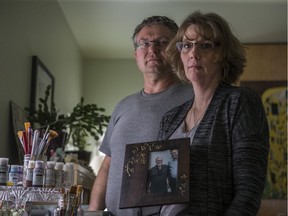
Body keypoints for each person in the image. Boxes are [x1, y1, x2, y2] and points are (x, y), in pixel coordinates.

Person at [157, 11, 270, 215]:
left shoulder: (239, 102)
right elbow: (160, 191)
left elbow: (248, 193)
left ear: (223, 54)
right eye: (186, 45)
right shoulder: (169, 119)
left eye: (205, 45)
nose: (193, 53)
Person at [88, 16, 193, 216]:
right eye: (144, 43)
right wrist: (93, 211)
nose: (152, 49)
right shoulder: (123, 106)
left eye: (163, 42)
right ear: (136, 54)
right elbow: (108, 164)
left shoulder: (195, 99)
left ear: (178, 50)